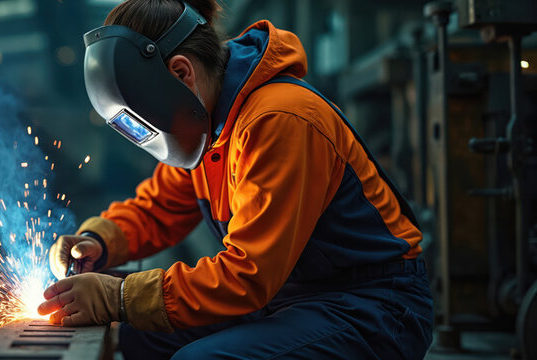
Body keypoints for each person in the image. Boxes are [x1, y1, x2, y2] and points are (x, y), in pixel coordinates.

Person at [38, 0, 434, 358]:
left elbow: (249, 275)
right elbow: (158, 208)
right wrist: (96, 242)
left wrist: (120, 296)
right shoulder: (208, 125)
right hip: (292, 296)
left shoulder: (278, 120)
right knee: (136, 332)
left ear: (181, 73)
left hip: (372, 307)